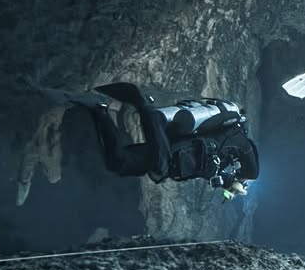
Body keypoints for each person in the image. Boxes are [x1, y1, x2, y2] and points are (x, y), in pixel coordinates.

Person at [88, 82, 259, 198]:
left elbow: (212, 172)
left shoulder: (224, 158)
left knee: (119, 163)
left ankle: (99, 108)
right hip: (174, 154)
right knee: (159, 162)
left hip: (174, 157)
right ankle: (144, 104)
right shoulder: (239, 141)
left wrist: (230, 183)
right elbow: (253, 171)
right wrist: (241, 184)